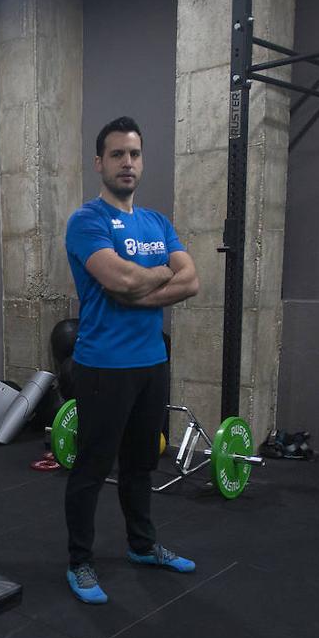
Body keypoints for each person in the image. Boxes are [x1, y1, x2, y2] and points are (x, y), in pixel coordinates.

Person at [63, 116, 200, 604]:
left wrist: (145, 282)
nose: (127, 163)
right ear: (99, 162)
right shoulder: (87, 221)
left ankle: (142, 546)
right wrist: (157, 275)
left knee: (142, 463)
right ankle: (80, 562)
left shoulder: (157, 222)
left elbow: (192, 281)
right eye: (117, 154)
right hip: (103, 364)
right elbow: (118, 281)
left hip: (150, 362)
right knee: (92, 468)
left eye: (135, 154)